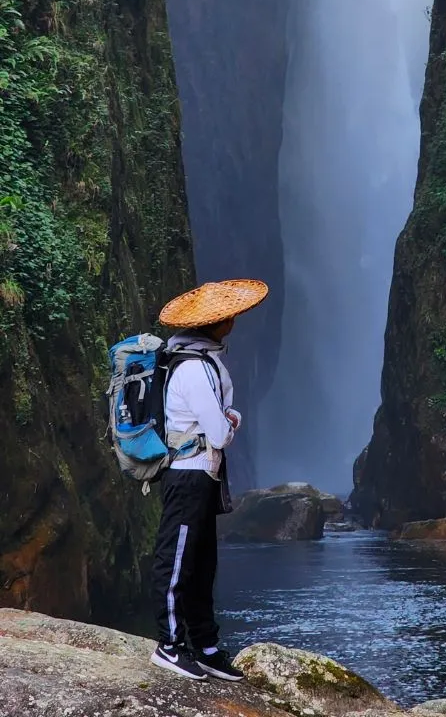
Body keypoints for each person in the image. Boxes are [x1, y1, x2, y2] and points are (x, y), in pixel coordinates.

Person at [149, 278, 268, 681]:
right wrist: (232, 421)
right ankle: (169, 645)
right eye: (228, 316)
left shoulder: (205, 360)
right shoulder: (196, 369)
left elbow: (220, 422)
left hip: (205, 474)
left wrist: (226, 420)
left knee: (202, 563)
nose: (233, 320)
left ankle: (205, 645)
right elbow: (220, 432)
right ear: (218, 323)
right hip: (188, 476)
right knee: (177, 558)